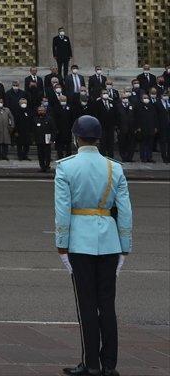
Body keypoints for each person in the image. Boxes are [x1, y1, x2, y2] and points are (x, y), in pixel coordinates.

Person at [55, 115, 132, 376]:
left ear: (77, 137)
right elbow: (125, 211)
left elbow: (62, 210)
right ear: (98, 138)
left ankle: (91, 363)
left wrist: (61, 244)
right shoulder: (114, 168)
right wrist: (125, 245)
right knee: (107, 304)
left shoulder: (66, 167)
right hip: (109, 240)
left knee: (87, 305)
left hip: (80, 240)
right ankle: (109, 364)